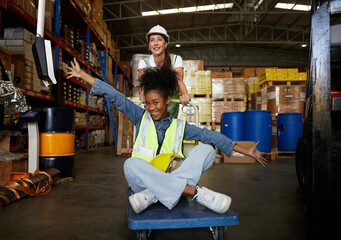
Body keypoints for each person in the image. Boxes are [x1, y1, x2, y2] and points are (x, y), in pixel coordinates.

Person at [67, 58, 268, 214]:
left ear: (167, 100)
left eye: (156, 102)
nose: (151, 108)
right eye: (147, 103)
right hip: (143, 181)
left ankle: (153, 195)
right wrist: (83, 75)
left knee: (206, 149)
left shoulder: (180, 126)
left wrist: (245, 150)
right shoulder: (140, 116)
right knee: (130, 165)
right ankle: (195, 193)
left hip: (167, 179)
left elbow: (211, 137)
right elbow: (115, 96)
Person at [138, 24, 190, 117]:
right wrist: (142, 95)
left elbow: (178, 80)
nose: (155, 43)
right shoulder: (144, 63)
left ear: (165, 44)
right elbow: (142, 85)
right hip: (152, 111)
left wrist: (185, 94)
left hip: (171, 111)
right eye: (152, 40)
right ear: (149, 45)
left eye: (159, 39)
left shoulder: (175, 59)